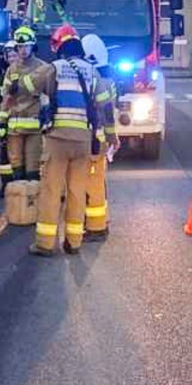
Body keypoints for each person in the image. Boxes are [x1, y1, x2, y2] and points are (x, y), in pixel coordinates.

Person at [32, 25, 99, 256]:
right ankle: (74, 242)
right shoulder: (92, 70)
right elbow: (101, 101)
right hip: (83, 141)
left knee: (51, 190)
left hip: (58, 139)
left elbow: (31, 86)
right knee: (77, 191)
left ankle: (45, 243)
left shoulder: (54, 68)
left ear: (59, 47)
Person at [0, 25, 52, 185]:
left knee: (33, 172)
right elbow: (6, 98)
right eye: (20, 46)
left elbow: (49, 94)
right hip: (14, 130)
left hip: (34, 129)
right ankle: (18, 208)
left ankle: (32, 207)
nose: (22, 50)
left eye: (26, 46)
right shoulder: (11, 69)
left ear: (33, 46)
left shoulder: (43, 68)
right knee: (17, 172)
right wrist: (1, 122)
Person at [81, 33, 118, 242]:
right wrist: (113, 137)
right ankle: (98, 222)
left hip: (91, 138)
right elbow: (109, 111)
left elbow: (101, 110)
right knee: (97, 181)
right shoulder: (108, 79)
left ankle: (95, 226)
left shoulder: (94, 79)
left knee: (91, 183)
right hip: (100, 138)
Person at [0, 41, 17, 198]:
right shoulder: (3, 77)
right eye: (9, 55)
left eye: (14, 54)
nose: (12, 58)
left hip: (20, 120)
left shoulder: (23, 73)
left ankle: (19, 184)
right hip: (5, 120)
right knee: (4, 154)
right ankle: (5, 184)